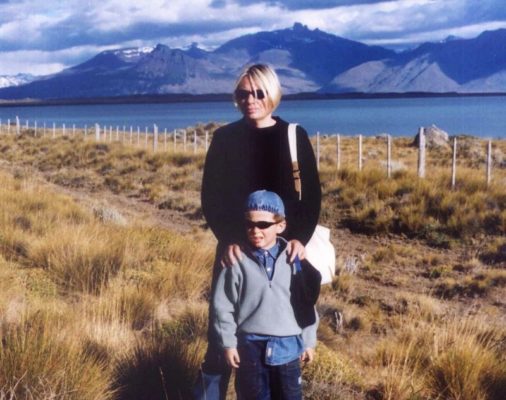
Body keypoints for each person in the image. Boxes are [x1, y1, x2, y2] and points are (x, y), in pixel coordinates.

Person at [195, 64, 321, 399]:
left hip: (285, 251)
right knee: (220, 335)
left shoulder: (294, 136)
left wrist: (299, 239)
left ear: (272, 94)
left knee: (288, 318)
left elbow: (311, 197)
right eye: (242, 93)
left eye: (258, 93)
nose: (250, 100)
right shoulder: (224, 138)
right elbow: (211, 197)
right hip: (237, 249)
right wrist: (229, 239)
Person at [212, 190, 320, 400]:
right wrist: (228, 344)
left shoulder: (294, 259)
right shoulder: (236, 260)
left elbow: (305, 303)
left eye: (263, 225)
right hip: (249, 347)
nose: (255, 230)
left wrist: (308, 341)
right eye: (249, 224)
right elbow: (223, 307)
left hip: (289, 347)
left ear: (280, 225)